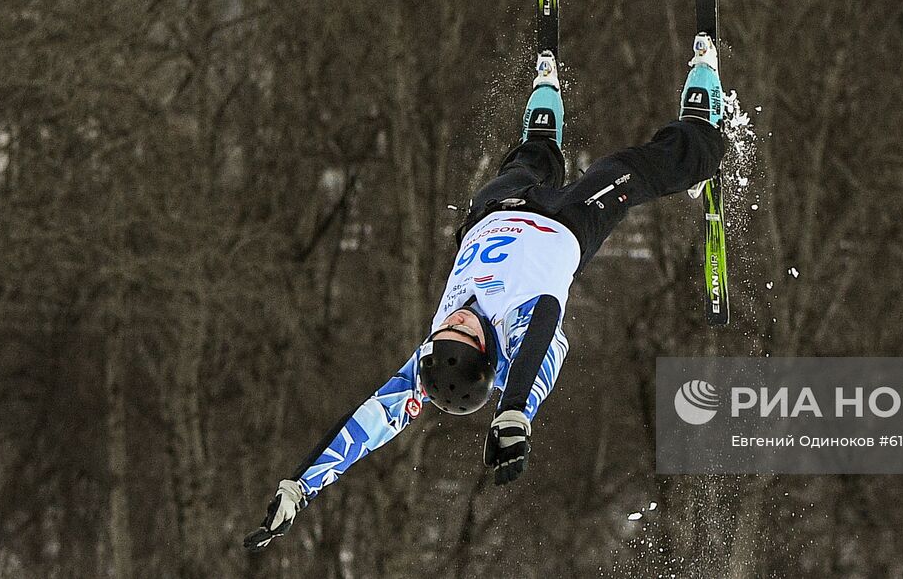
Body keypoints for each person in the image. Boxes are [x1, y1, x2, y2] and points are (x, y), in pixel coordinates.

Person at [243, 36, 725, 550]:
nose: (455, 320)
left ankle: (543, 104)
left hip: (494, 214)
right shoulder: (520, 337)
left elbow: (367, 425)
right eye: (464, 332)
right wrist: (514, 412)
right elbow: (542, 330)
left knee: (528, 161)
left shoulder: (430, 366)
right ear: (484, 351)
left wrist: (302, 485)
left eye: (445, 330)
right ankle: (700, 137)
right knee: (625, 169)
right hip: (566, 224)